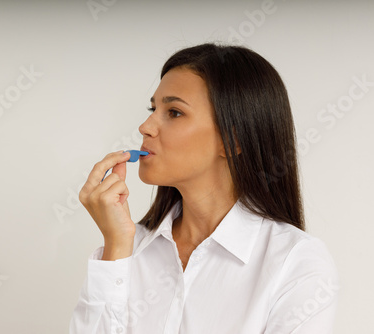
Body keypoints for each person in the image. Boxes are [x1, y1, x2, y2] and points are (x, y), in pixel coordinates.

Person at [69, 43, 340, 333]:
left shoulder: (295, 263)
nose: (145, 126)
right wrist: (116, 245)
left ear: (232, 141)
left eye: (173, 112)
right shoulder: (124, 251)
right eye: (153, 108)